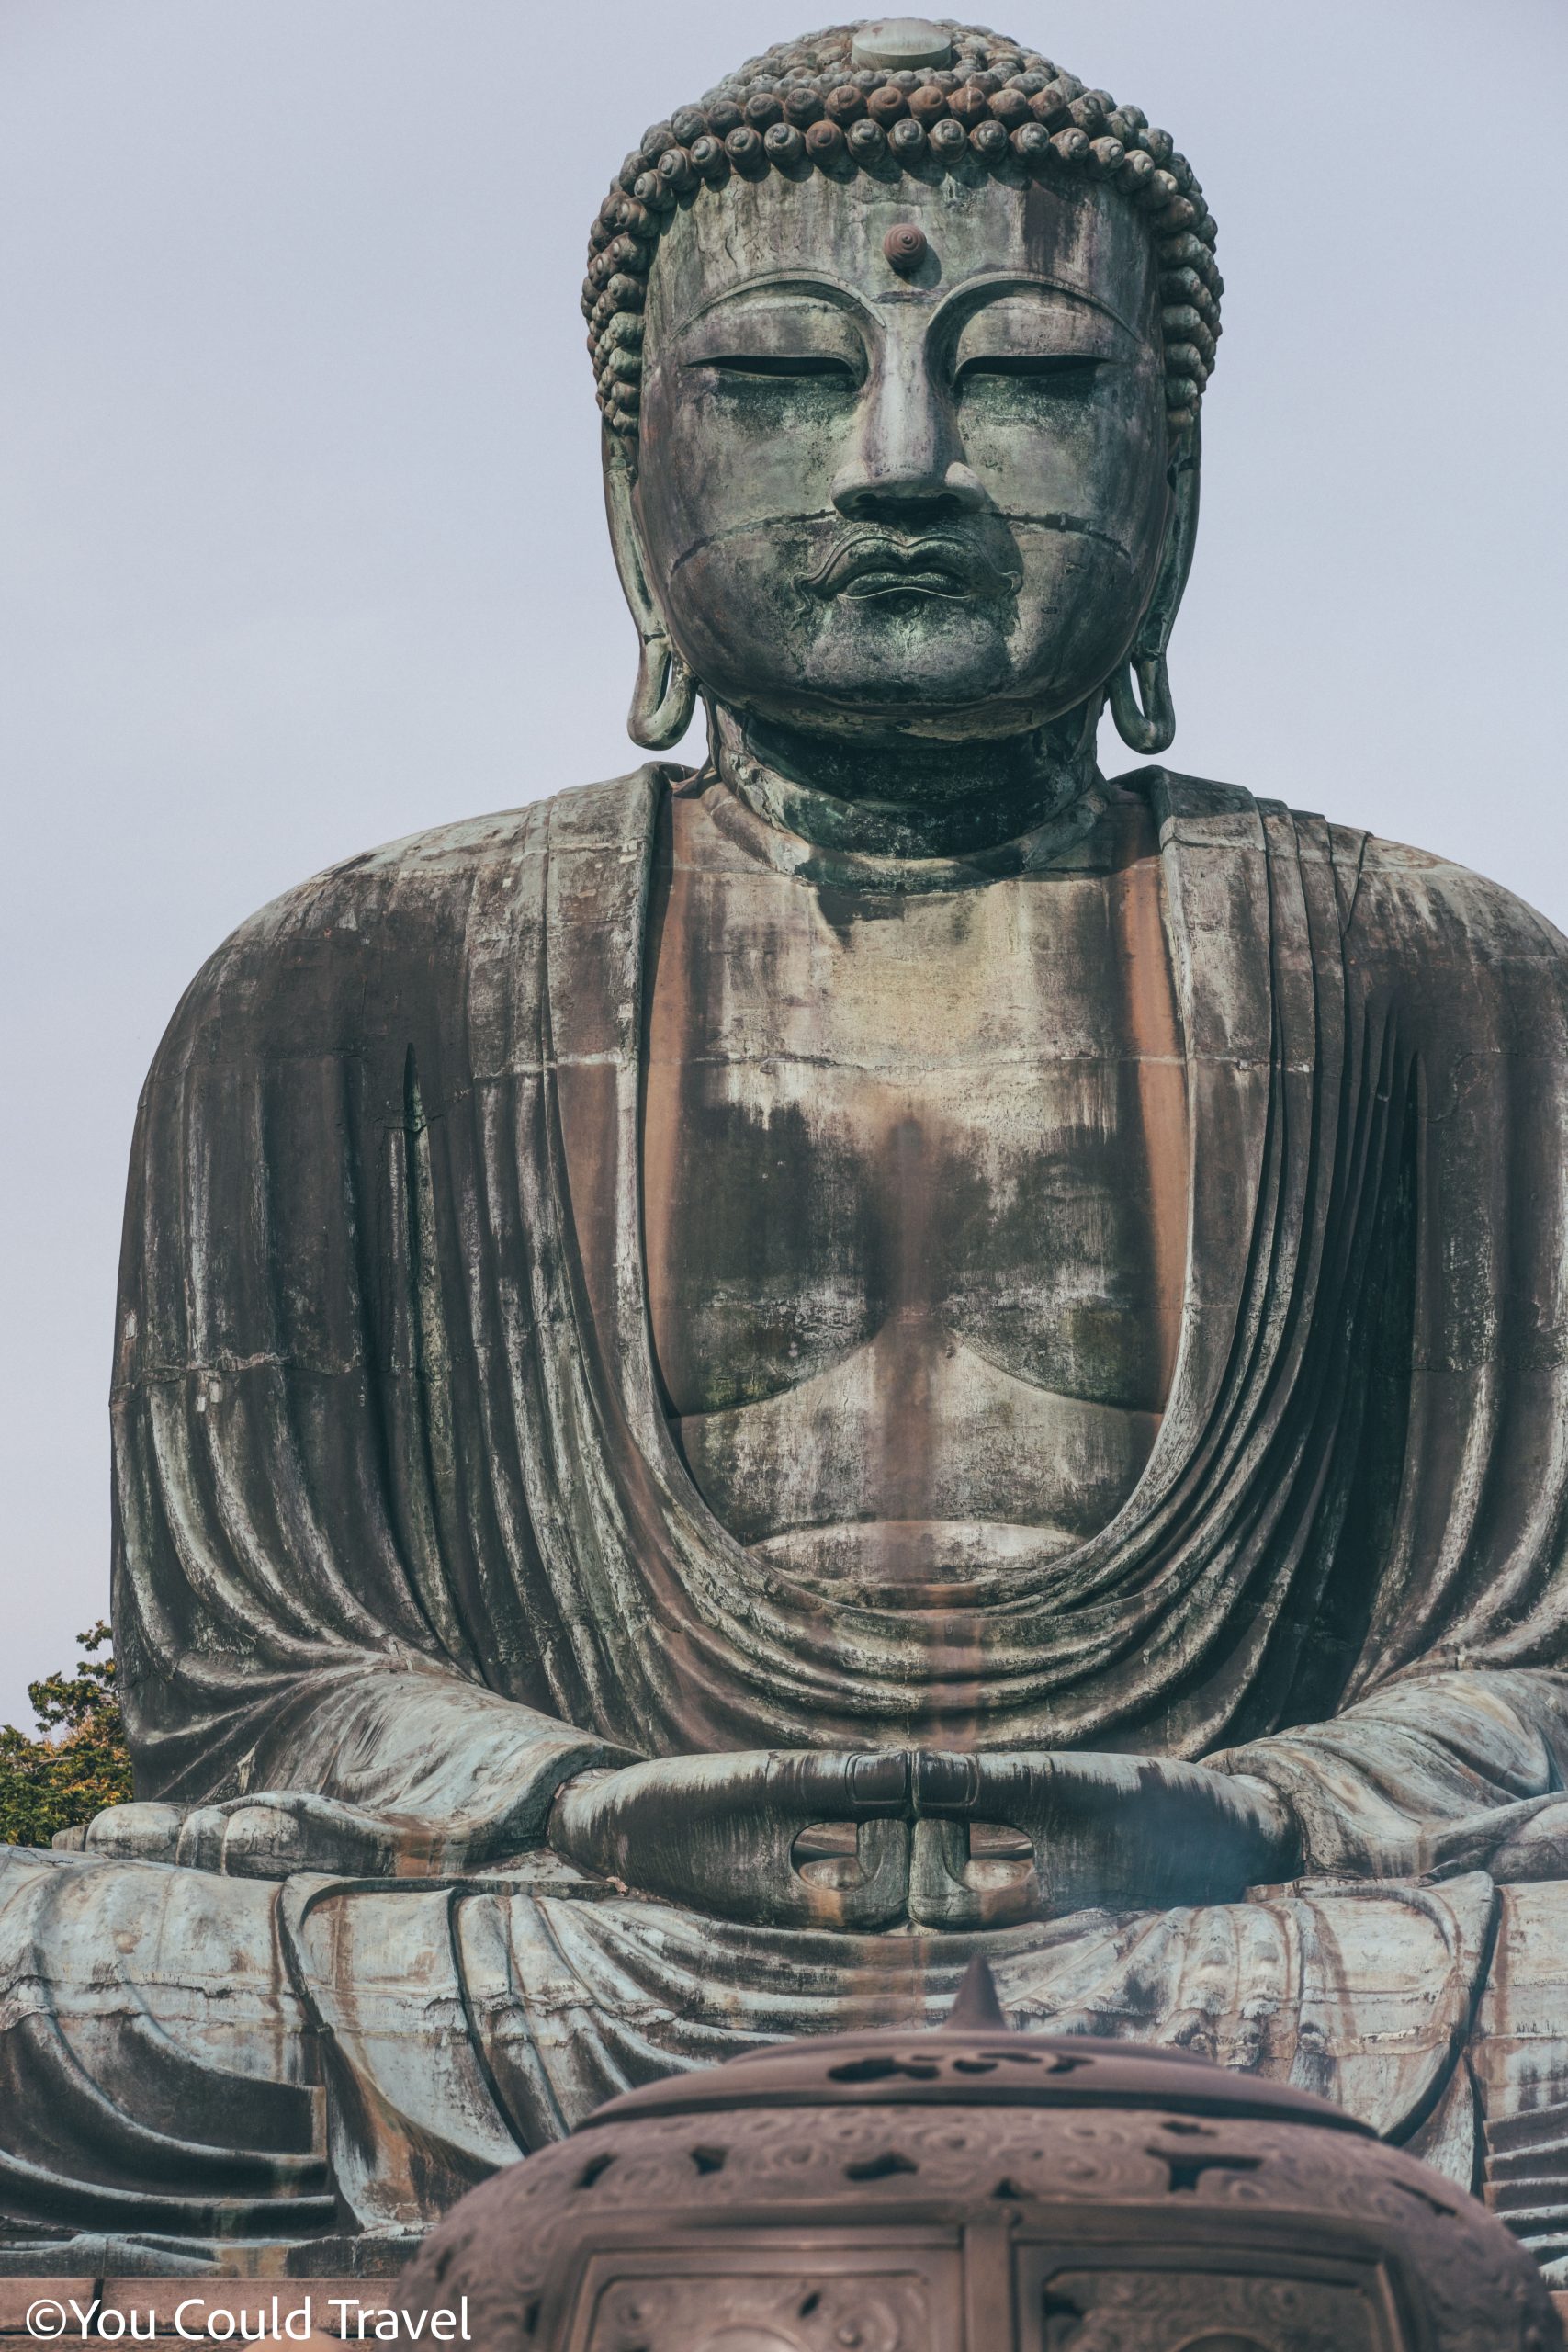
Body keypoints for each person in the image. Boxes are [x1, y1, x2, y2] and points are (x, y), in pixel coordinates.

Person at [7, 14, 1568, 2278]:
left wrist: (1250, 1804)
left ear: (1175, 460)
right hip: (578, 1946)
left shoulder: (1441, 979)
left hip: (1252, 1941)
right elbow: (258, 1677)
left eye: (1025, 373)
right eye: (779, 379)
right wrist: (573, 1798)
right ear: (627, 467)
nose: (904, 459)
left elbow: (1531, 1661)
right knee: (66, 1973)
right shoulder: (345, 984)